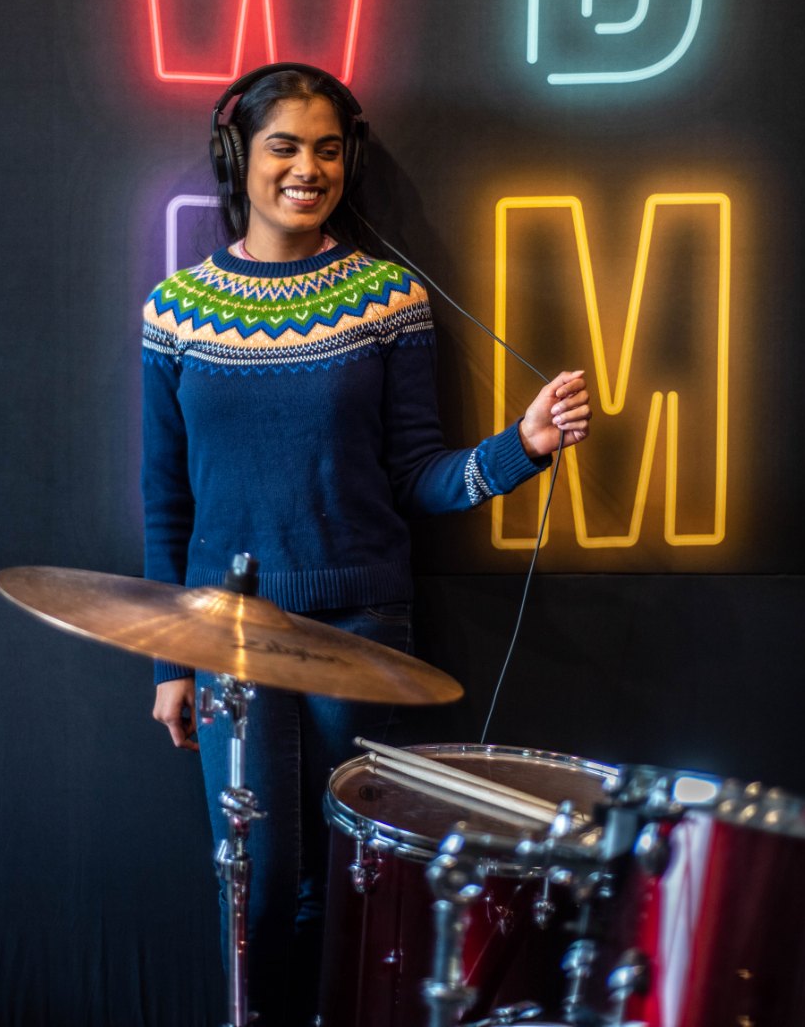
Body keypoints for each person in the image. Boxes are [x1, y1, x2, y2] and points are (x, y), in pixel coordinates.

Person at [142, 63, 591, 1026]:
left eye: (328, 148)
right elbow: (164, 499)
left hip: (365, 628)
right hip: (229, 642)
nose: (309, 168)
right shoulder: (173, 309)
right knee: (255, 897)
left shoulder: (388, 300)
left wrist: (524, 448)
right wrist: (166, 660)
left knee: (357, 890)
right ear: (237, 154)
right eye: (284, 145)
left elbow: (416, 475)